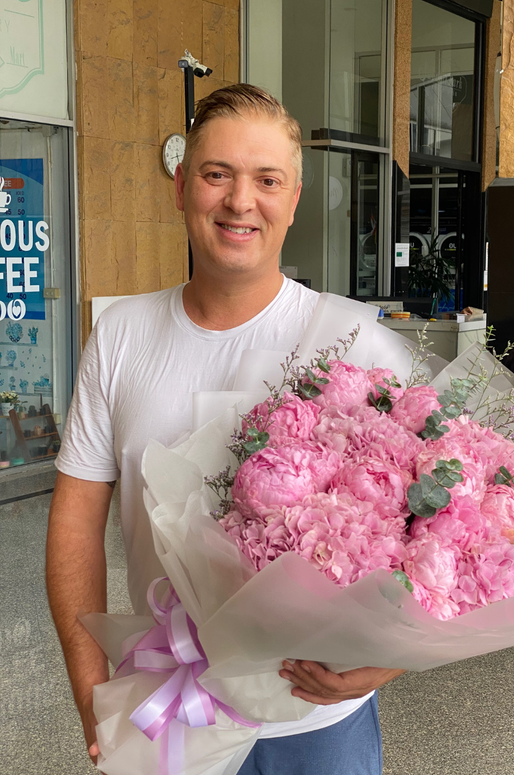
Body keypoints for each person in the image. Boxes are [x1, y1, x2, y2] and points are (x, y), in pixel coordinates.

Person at [46, 84, 404, 775]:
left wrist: (385, 665)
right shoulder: (121, 335)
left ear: (294, 198)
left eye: (267, 180)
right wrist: (91, 687)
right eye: (218, 175)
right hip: (171, 706)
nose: (242, 202)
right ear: (182, 187)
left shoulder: (351, 339)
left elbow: (440, 533)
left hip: (316, 721)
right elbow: (73, 523)